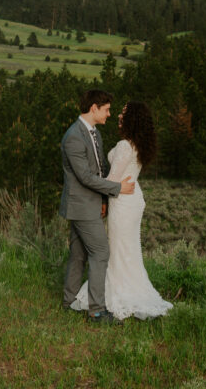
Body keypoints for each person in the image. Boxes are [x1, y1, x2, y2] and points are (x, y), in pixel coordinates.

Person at [71, 101, 173, 321]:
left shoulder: (126, 146)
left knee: (118, 250)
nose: (118, 115)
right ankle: (132, 289)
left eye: (123, 113)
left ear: (132, 119)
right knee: (128, 250)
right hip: (132, 199)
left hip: (122, 201)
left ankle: (118, 294)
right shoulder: (138, 144)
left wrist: (94, 191)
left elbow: (113, 180)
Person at [60, 88, 135, 324]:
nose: (109, 114)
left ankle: (69, 301)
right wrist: (116, 190)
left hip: (91, 204)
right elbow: (85, 177)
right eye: (107, 109)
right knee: (101, 251)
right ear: (94, 108)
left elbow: (100, 169)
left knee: (79, 254)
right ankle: (96, 311)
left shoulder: (95, 134)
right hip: (81, 205)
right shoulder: (73, 136)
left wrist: (103, 201)